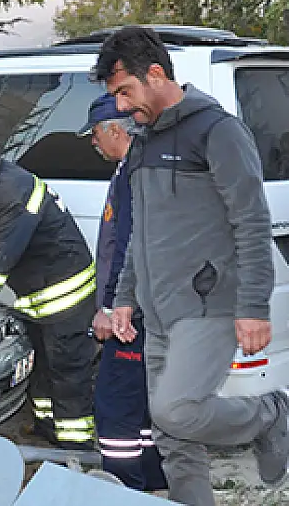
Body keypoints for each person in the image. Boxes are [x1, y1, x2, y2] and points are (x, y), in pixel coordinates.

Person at [98, 26, 288, 505]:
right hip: (158, 310)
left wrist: (253, 306)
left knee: (175, 411)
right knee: (173, 439)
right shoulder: (142, 142)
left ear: (156, 74)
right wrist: (123, 299)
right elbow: (138, 231)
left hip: (210, 304)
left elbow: (251, 221)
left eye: (125, 91)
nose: (120, 108)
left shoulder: (218, 132)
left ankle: (270, 414)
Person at [0, 156, 97, 450]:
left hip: (65, 294)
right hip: (40, 293)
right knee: (42, 367)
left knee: (67, 370)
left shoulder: (13, 195)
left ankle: (76, 445)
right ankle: (47, 427)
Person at [79, 93, 167, 491]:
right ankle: (151, 479)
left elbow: (127, 247)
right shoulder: (137, 169)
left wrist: (111, 307)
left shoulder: (134, 175)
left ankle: (122, 487)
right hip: (148, 307)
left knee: (115, 406)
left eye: (95, 135)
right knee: (141, 400)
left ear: (115, 129)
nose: (93, 144)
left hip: (131, 312)